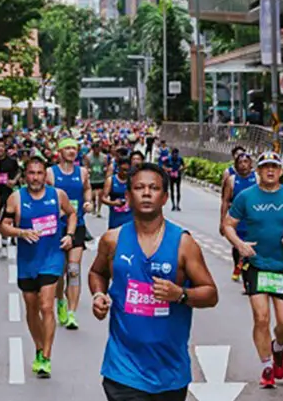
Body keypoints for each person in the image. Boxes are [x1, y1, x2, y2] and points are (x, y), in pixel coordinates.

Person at [89, 163, 218, 401]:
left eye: (154, 188)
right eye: (139, 188)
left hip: (170, 372)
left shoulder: (183, 244)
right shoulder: (112, 240)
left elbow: (211, 294)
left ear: (165, 197)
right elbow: (97, 273)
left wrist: (180, 294)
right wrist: (98, 295)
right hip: (123, 370)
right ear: (128, 196)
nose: (146, 193)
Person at [222, 151, 283, 388]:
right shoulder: (246, 197)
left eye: (274, 167)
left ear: (280, 171)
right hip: (256, 265)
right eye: (265, 167)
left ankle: (277, 347)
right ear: (258, 171)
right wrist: (239, 244)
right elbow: (228, 224)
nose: (270, 171)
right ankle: (267, 367)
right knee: (261, 318)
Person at [0, 156, 77, 378]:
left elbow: (72, 213)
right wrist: (21, 232)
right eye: (31, 173)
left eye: (39, 173)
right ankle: (39, 347)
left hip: (51, 258)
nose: (35, 178)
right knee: (32, 308)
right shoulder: (16, 198)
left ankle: (46, 357)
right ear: (26, 176)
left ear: (46, 175)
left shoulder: (57, 195)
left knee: (46, 306)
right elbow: (3, 226)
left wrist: (70, 235)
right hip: (27, 261)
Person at [47, 138, 92, 330]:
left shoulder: (82, 172)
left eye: (74, 148)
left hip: (78, 225)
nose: (72, 151)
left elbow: (87, 188)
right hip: (57, 227)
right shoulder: (51, 173)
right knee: (59, 271)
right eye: (68, 148)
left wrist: (88, 202)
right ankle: (61, 302)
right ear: (60, 151)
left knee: (73, 269)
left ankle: (72, 313)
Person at [220, 152, 257, 282]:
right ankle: (238, 265)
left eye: (246, 162)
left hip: (254, 221)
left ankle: (248, 277)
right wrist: (222, 221)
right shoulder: (232, 180)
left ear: (250, 164)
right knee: (237, 247)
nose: (243, 165)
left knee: (252, 248)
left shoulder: (257, 178)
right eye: (240, 162)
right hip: (237, 221)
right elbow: (225, 201)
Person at [0, 137, 21, 259]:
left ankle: (4, 244)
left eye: (2, 146)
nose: (0, 149)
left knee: (5, 220)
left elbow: (19, 171)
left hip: (8, 194)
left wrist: (13, 181)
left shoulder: (12, 161)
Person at [101, 157, 132, 230]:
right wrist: (113, 203)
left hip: (129, 217)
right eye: (123, 170)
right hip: (115, 217)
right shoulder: (111, 180)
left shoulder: (132, 180)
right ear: (118, 168)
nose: (125, 172)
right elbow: (102, 198)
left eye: (127, 170)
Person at [85, 141, 109, 217]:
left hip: (101, 178)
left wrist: (105, 169)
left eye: (99, 149)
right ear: (93, 149)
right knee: (93, 196)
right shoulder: (88, 157)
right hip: (92, 178)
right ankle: (94, 207)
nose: (97, 150)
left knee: (100, 195)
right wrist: (88, 170)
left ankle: (99, 210)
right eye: (96, 149)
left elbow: (106, 166)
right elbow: (86, 166)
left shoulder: (104, 157)